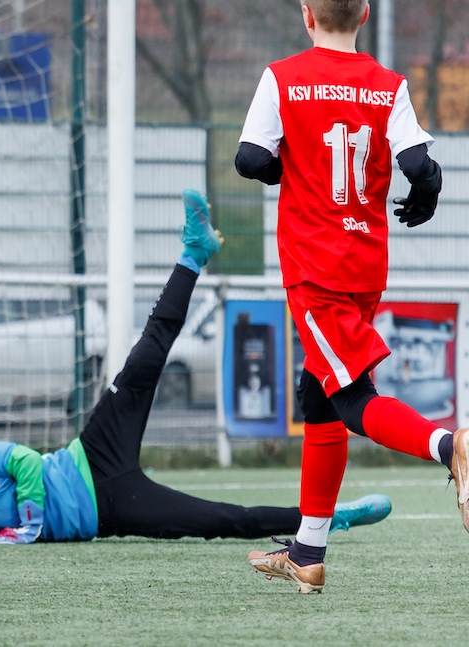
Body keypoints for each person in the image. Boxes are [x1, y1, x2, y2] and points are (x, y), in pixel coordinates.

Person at [0, 191, 393, 549]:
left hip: (88, 456)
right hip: (110, 510)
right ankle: (330, 519)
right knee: (220, 520)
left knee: (144, 359)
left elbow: (23, 461)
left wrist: (29, 519)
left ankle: (193, 253)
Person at [235, 0, 459, 593]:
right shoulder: (389, 85)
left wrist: (290, 168)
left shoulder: (283, 77)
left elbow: (250, 158)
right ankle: (308, 552)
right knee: (320, 396)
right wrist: (427, 194)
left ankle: (450, 446)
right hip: (364, 265)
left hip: (316, 267)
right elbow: (420, 165)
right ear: (363, 14)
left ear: (307, 14)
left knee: (354, 398)